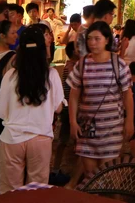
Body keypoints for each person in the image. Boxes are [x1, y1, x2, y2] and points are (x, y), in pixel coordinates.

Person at [0, 27, 64, 192]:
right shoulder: (52, 74)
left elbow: (0, 111)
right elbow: (58, 108)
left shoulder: (11, 75)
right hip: (41, 137)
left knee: (10, 191)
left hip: (12, 138)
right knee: (37, 191)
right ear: (43, 49)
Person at [67, 21, 134, 176]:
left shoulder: (119, 64)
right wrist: (73, 122)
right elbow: (74, 94)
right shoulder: (82, 64)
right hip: (87, 128)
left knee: (109, 175)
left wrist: (129, 121)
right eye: (90, 39)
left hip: (112, 128)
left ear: (107, 40)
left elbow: (127, 95)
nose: (92, 43)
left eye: (97, 39)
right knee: (90, 175)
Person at [53, 42, 79, 180]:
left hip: (68, 106)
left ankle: (60, 169)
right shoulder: (72, 67)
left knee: (67, 140)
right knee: (65, 139)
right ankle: (58, 169)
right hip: (70, 107)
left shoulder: (72, 65)